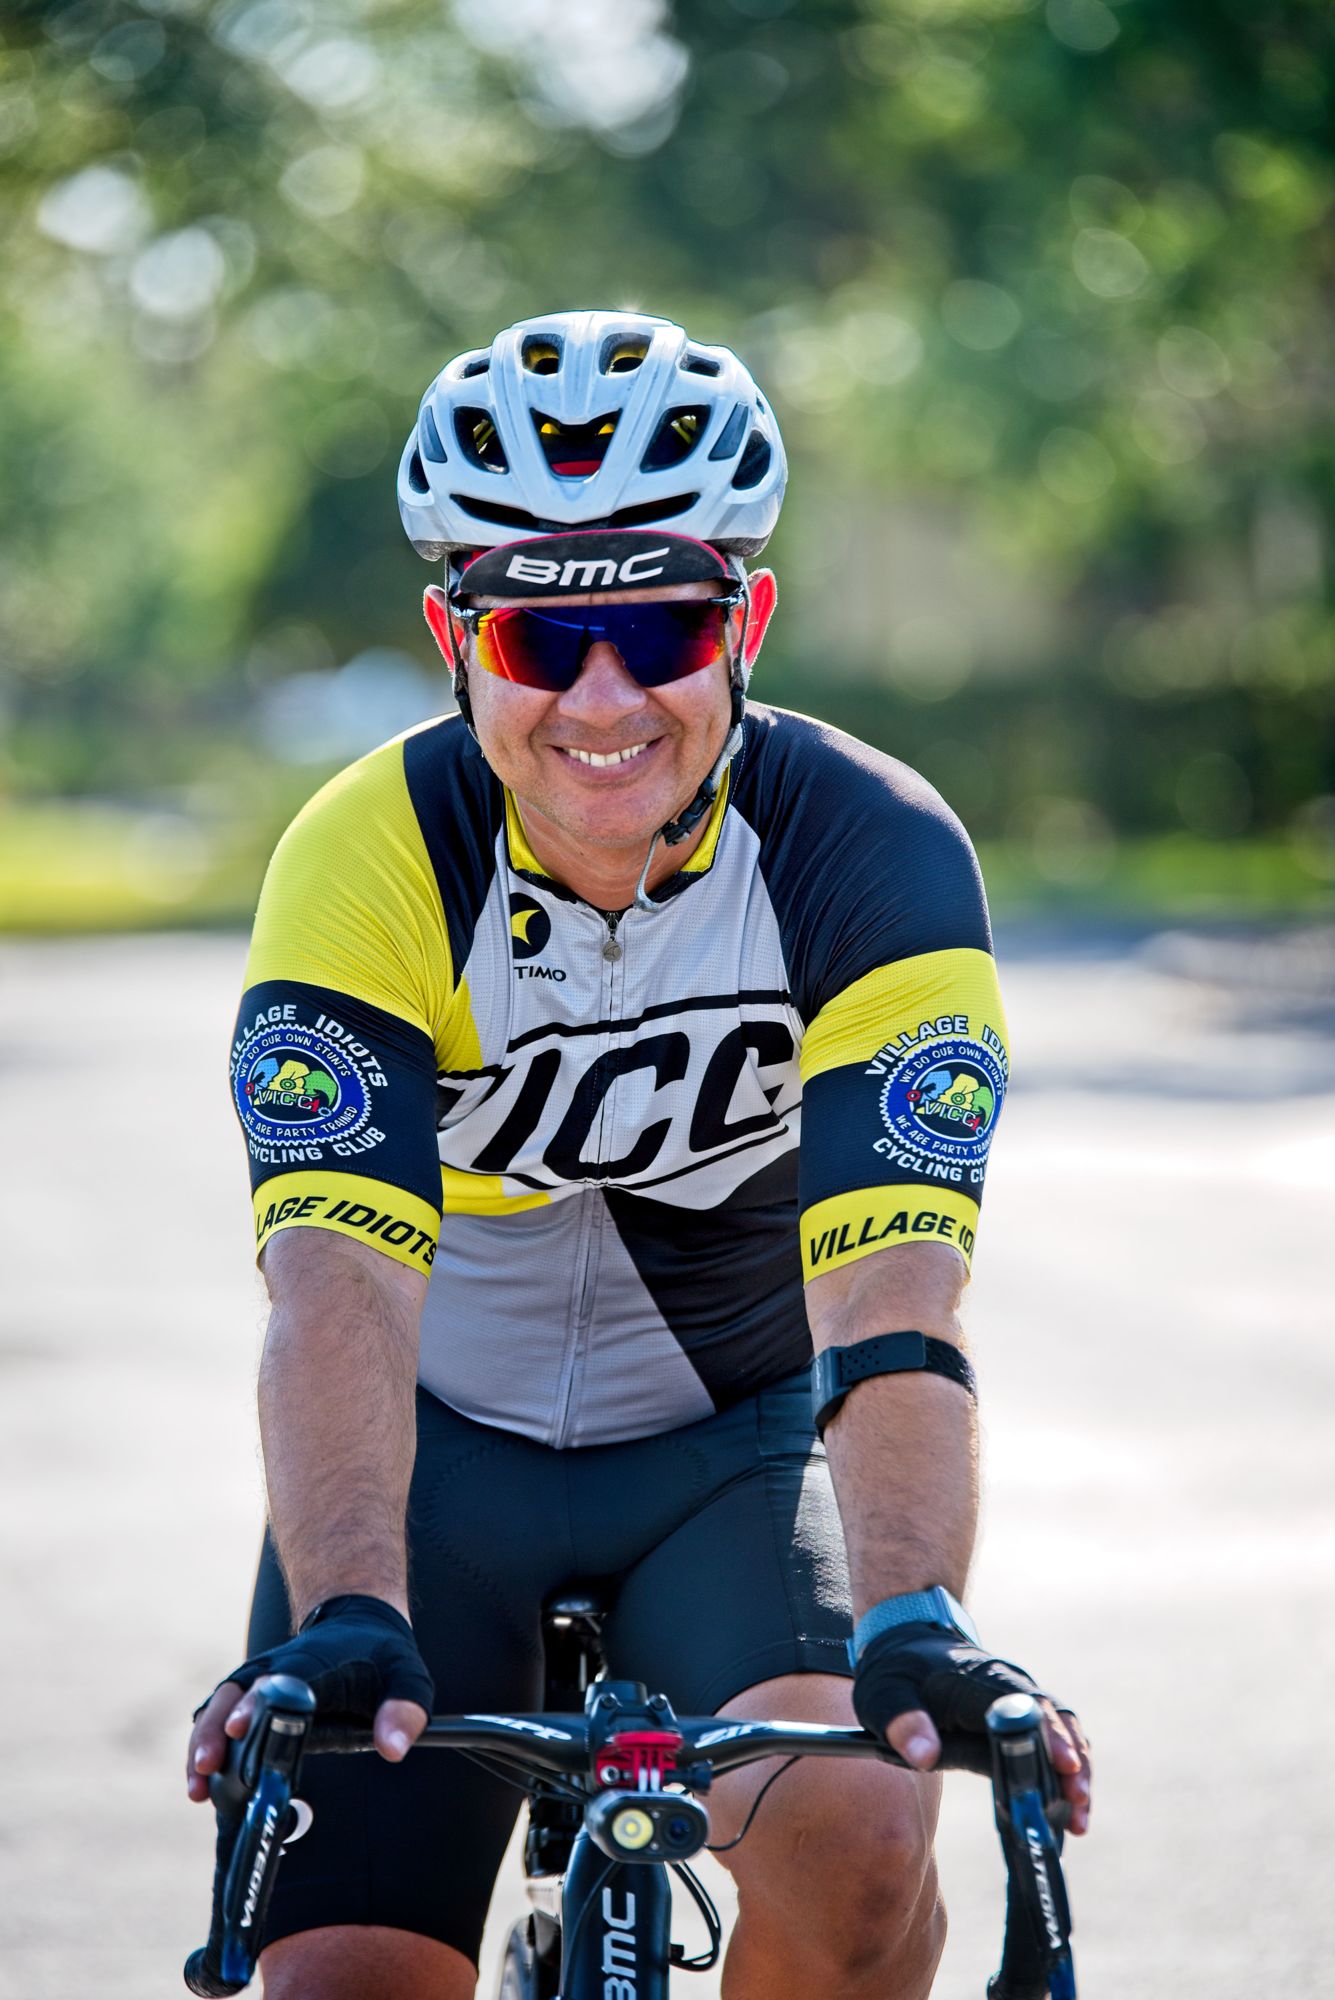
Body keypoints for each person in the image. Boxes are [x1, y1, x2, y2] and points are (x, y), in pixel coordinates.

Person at [188, 308, 1091, 2000]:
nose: (606, 700)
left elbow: (897, 1284)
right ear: (455, 638)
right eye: (540, 640)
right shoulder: (366, 853)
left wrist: (916, 1619)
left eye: (663, 624)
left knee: (872, 1844)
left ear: (743, 618)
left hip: (728, 1452)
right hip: (436, 1457)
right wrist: (350, 1602)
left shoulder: (869, 847)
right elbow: (336, 1285)